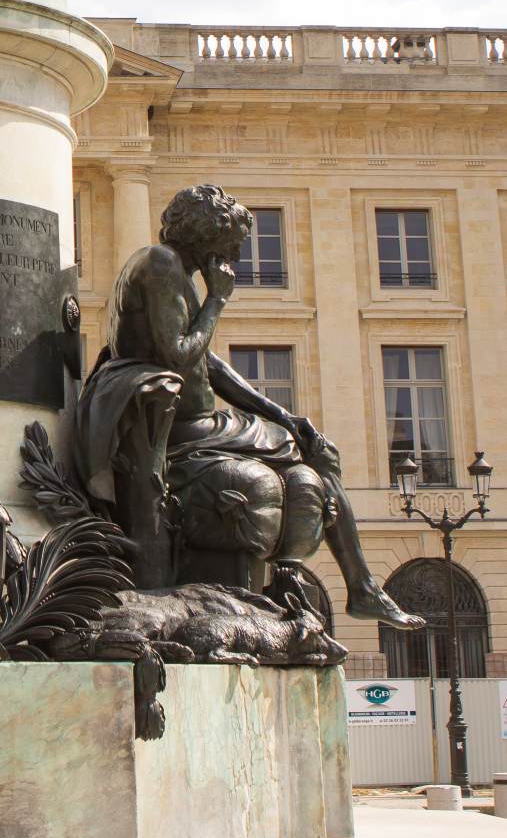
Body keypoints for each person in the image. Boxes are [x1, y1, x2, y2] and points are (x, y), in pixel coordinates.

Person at [77, 183, 425, 629]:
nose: (234, 259)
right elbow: (181, 354)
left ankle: (361, 588)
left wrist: (280, 414)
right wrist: (218, 300)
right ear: (206, 235)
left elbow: (208, 363)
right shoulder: (160, 265)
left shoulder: (173, 270)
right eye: (229, 246)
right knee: (320, 455)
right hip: (183, 429)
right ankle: (361, 588)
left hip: (207, 424)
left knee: (312, 444)